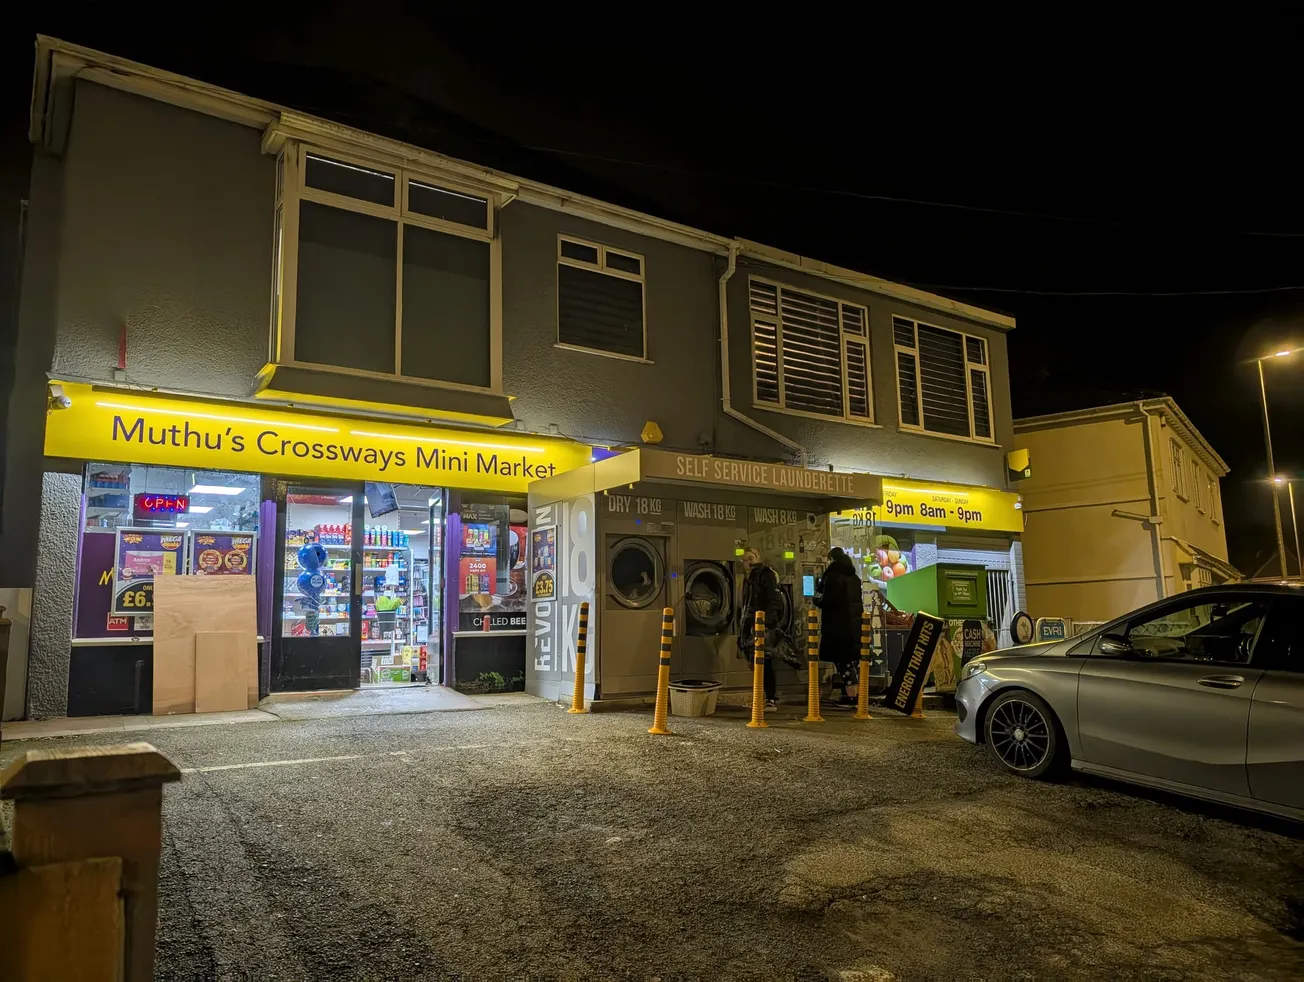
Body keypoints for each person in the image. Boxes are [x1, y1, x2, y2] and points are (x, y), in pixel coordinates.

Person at [816, 547, 863, 703]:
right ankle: (854, 694)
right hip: (854, 626)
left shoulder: (834, 577)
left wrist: (816, 600)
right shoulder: (854, 577)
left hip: (838, 627)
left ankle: (852, 696)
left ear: (833, 560)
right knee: (851, 662)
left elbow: (829, 601)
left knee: (843, 663)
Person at [740, 548, 782, 709]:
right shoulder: (748, 578)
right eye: (745, 560)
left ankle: (771, 698)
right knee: (755, 661)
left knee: (765, 660)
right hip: (750, 624)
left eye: (751, 558)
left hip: (761, 624)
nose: (749, 562)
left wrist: (766, 622)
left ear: (758, 558)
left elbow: (774, 600)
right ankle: (761, 696)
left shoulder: (766, 574)